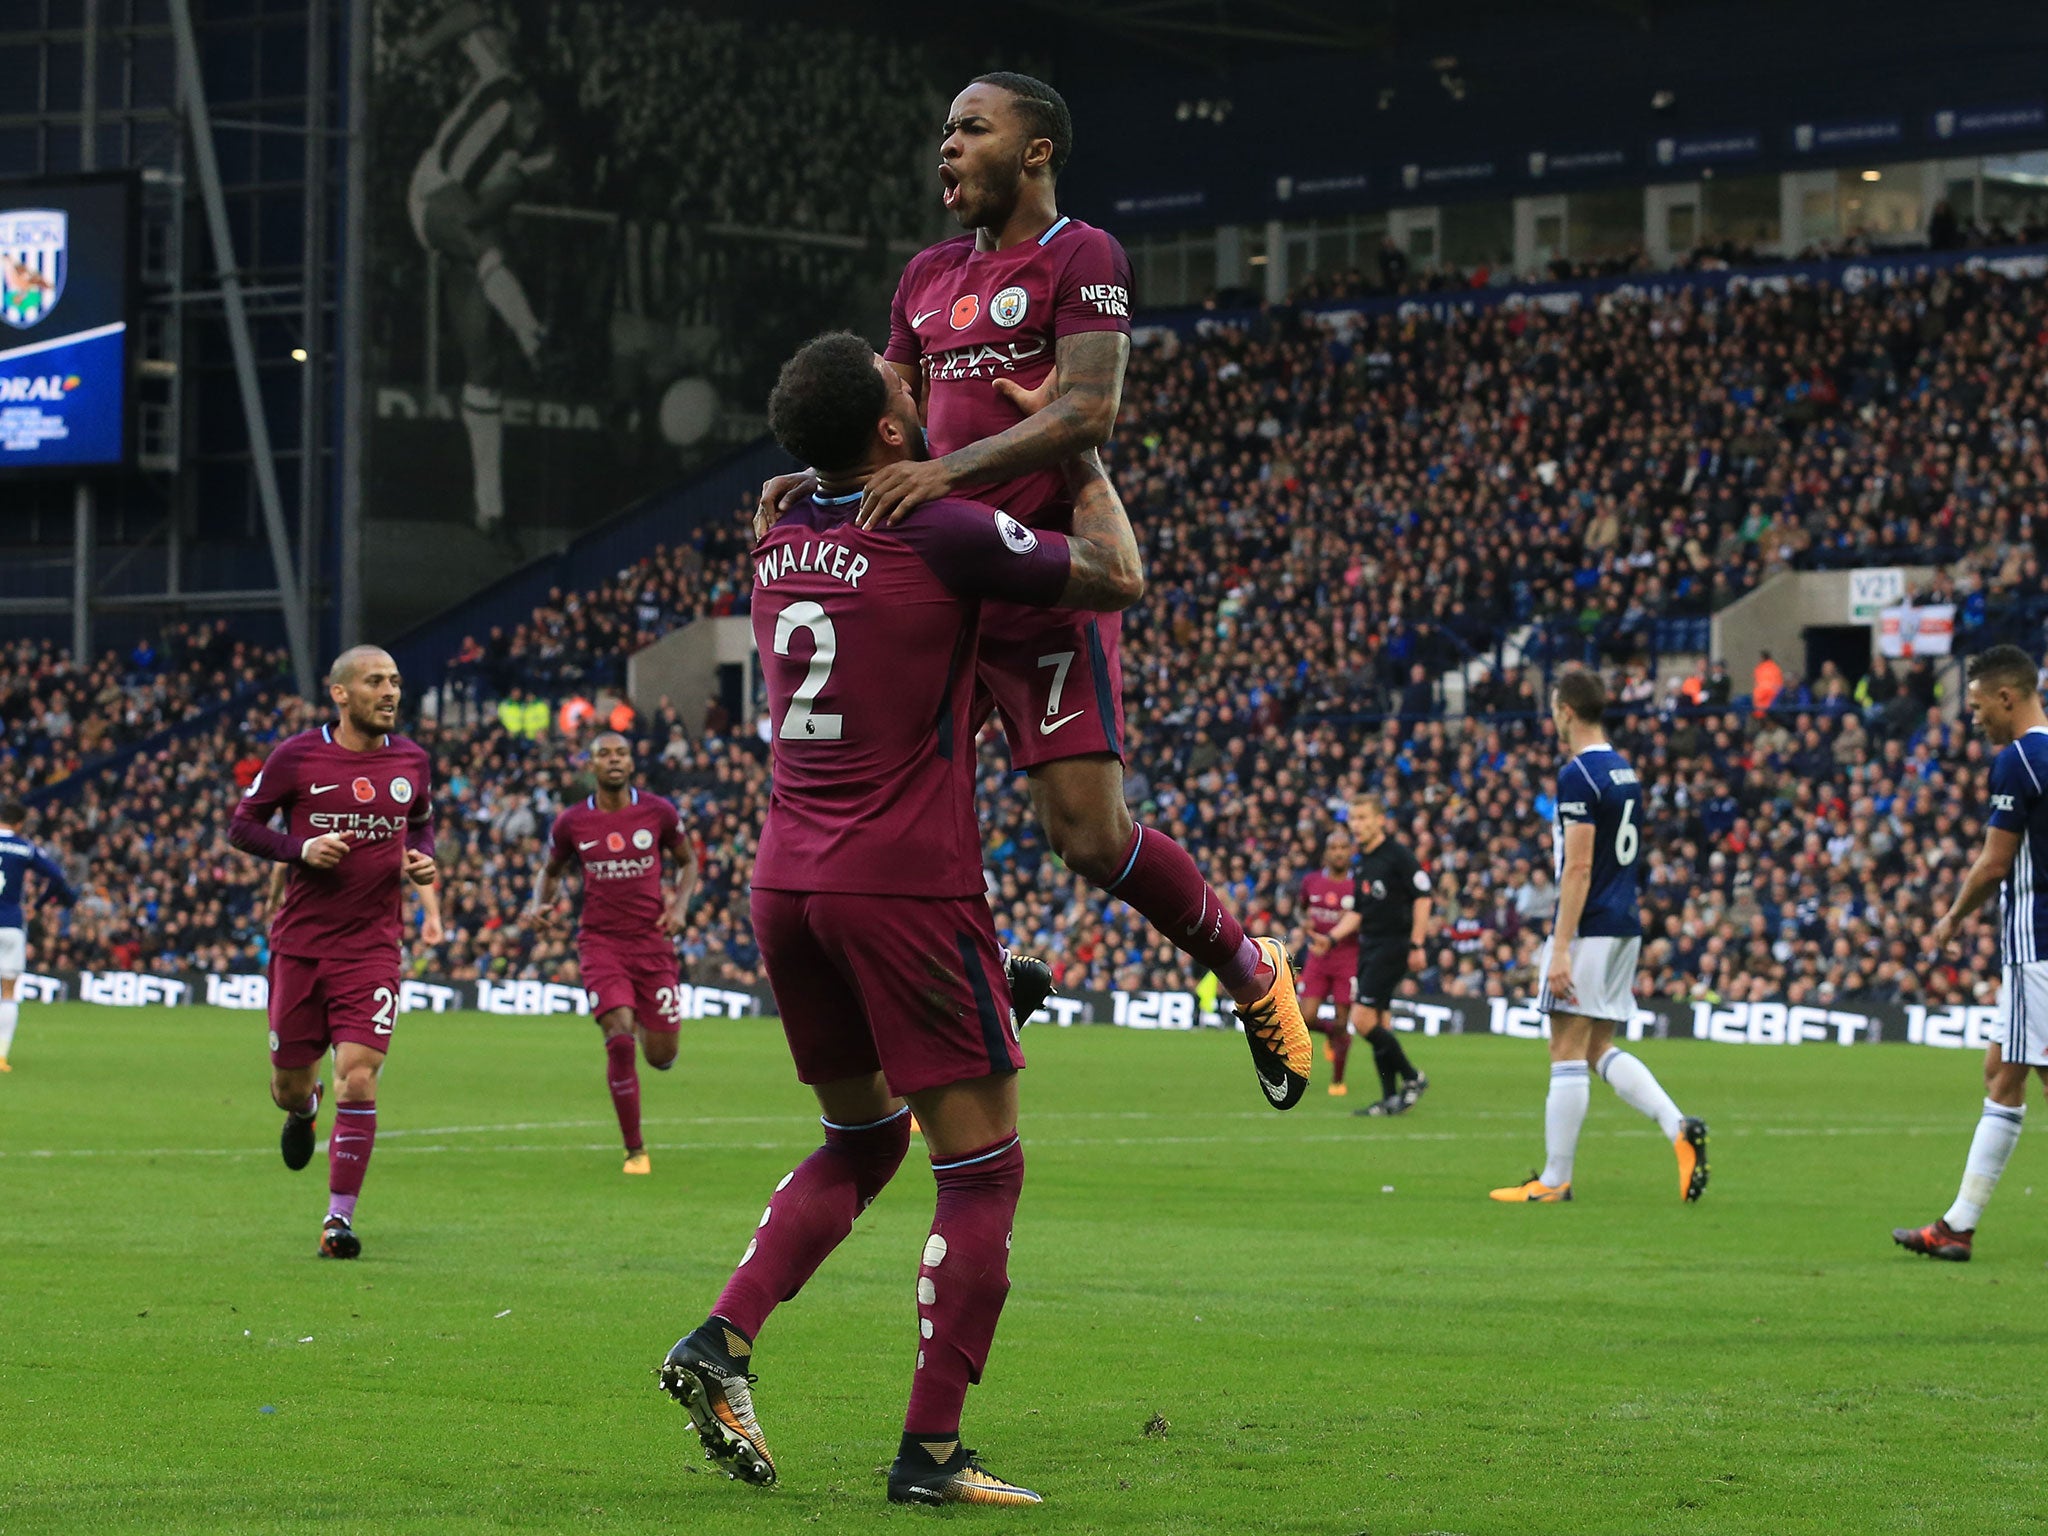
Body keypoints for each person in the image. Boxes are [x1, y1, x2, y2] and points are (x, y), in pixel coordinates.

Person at [756, 71, 1309, 1111]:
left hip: (1040, 571)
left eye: (971, 129)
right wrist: (820, 467)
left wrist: (946, 475)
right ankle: (980, 979)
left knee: (1088, 838)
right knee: (888, 796)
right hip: (932, 585)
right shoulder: (924, 273)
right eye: (945, 132)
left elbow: (1089, 411)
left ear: (1036, 150)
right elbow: (887, 401)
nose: (947, 149)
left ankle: (1247, 967)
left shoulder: (1082, 256)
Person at [658, 331, 1143, 1507]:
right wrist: (1078, 448)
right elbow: (1115, 575)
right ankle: (930, 1452)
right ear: (885, 433)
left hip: (790, 881)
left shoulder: (777, 535)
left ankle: (719, 1343)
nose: (924, 387)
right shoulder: (932, 525)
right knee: (980, 1172)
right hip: (903, 883)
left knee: (864, 1139)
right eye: (904, 387)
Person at [228, 646, 441, 1258]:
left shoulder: (412, 761)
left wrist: (421, 856)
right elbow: (244, 826)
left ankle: (337, 1221)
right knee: (290, 1087)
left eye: (396, 681)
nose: (390, 691)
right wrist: (300, 850)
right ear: (341, 693)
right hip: (300, 947)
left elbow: (421, 822)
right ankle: (303, 1112)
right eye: (375, 681)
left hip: (372, 948)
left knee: (360, 1079)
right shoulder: (297, 756)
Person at [1491, 669, 1708, 1204]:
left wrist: (1560, 946)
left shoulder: (1578, 776)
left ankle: (1555, 1178)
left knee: (1564, 1047)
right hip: (1624, 923)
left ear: (1565, 710)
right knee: (1597, 1046)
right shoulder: (1623, 771)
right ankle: (1677, 1126)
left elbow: (1578, 867)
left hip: (1588, 927)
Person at [1893, 645, 2048, 1261]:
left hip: (2036, 947)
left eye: (1979, 704)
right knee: (2002, 1074)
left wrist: (1953, 917)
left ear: (2007, 697)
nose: (1975, 717)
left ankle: (1957, 1227)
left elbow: (1994, 861)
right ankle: (1956, 1227)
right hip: (2034, 954)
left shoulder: (2021, 759)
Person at [399, 3, 554, 534]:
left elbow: (488, 214)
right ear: (529, 90)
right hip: (430, 191)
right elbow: (471, 14)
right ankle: (534, 337)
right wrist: (422, 46)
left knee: (483, 366)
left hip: (464, 231)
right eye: (535, 108)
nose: (534, 122)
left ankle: (489, 508)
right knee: (482, 240)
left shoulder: (532, 160)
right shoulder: (500, 76)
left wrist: (487, 226)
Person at [522, 730, 697, 1174]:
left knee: (660, 1057)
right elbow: (551, 870)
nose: (614, 760)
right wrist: (540, 902)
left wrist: (678, 907)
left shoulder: (658, 812)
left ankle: (644, 1020)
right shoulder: (571, 822)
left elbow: (688, 861)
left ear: (631, 762)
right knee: (618, 1038)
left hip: (654, 945)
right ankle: (635, 1150)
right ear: (592, 764)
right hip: (601, 944)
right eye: (605, 754)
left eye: (621, 752)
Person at [1327, 794, 1430, 1116]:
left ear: (1380, 820)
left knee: (1362, 1019)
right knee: (1380, 1022)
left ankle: (1413, 1077)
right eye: (1353, 818)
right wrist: (1330, 938)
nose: (1356, 825)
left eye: (1363, 818)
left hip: (1393, 945)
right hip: (1369, 945)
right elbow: (1358, 911)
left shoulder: (1398, 856)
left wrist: (1416, 943)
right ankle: (1389, 1099)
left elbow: (1423, 897)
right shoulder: (1364, 861)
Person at [0, 800, 77, 1071]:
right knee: (7, 992)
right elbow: (57, 877)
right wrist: (38, 905)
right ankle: (1, 1057)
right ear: (19, 823)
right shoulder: (25, 848)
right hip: (10, 924)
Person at [1296, 825, 1358, 1096]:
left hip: (1348, 959)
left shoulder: (1357, 885)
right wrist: (1304, 921)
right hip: (1317, 959)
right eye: (1334, 848)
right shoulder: (1311, 882)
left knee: (1344, 1022)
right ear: (1326, 853)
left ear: (1351, 852)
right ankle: (1331, 1034)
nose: (1339, 853)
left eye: (1344, 848)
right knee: (1305, 1017)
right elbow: (1301, 911)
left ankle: (1337, 1081)